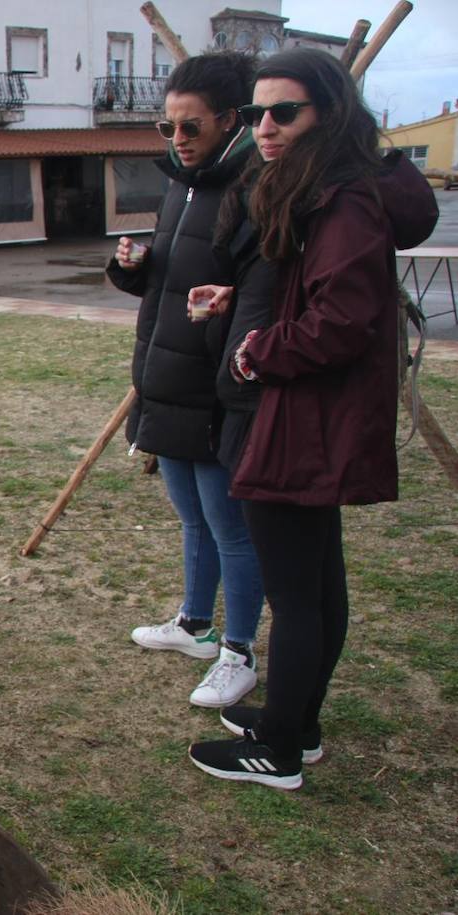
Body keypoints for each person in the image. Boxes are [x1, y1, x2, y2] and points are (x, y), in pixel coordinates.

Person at [188, 47, 438, 789]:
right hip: (315, 413)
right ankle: (297, 721)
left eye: (284, 112)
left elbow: (344, 319)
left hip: (308, 415)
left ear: (326, 114)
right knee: (317, 581)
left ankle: (279, 747)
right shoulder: (326, 188)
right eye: (258, 112)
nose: (265, 126)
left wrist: (262, 349)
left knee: (299, 593)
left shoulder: (343, 198)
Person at [106, 52, 265, 708]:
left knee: (230, 524)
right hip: (163, 374)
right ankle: (195, 624)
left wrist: (227, 307)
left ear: (230, 120)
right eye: (166, 127)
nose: (177, 140)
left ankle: (238, 651)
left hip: (214, 384)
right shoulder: (183, 183)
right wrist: (134, 265)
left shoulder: (255, 187)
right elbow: (173, 272)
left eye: (190, 127)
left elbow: (261, 290)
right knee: (190, 517)